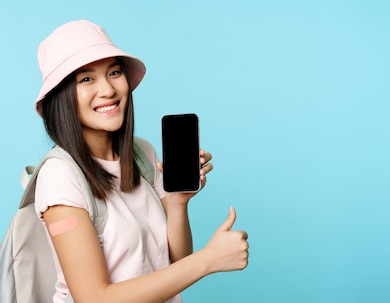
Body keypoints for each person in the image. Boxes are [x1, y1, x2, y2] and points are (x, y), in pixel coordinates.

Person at [32, 19, 249, 303]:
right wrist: (208, 260)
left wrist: (177, 202)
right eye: (86, 79)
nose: (108, 89)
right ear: (61, 97)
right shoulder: (60, 175)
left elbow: (175, 261)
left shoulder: (142, 154)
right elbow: (94, 298)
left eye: (114, 72)